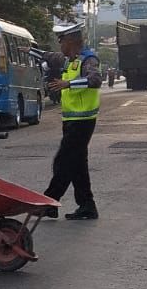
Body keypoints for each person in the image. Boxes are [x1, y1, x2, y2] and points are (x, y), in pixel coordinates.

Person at [41, 21, 103, 221]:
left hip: (83, 121)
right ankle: (87, 205)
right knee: (77, 165)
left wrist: (68, 83)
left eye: (62, 41)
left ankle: (48, 202)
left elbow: (95, 80)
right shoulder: (71, 60)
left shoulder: (88, 59)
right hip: (72, 120)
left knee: (64, 161)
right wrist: (29, 50)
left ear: (71, 40)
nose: (60, 46)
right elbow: (51, 57)